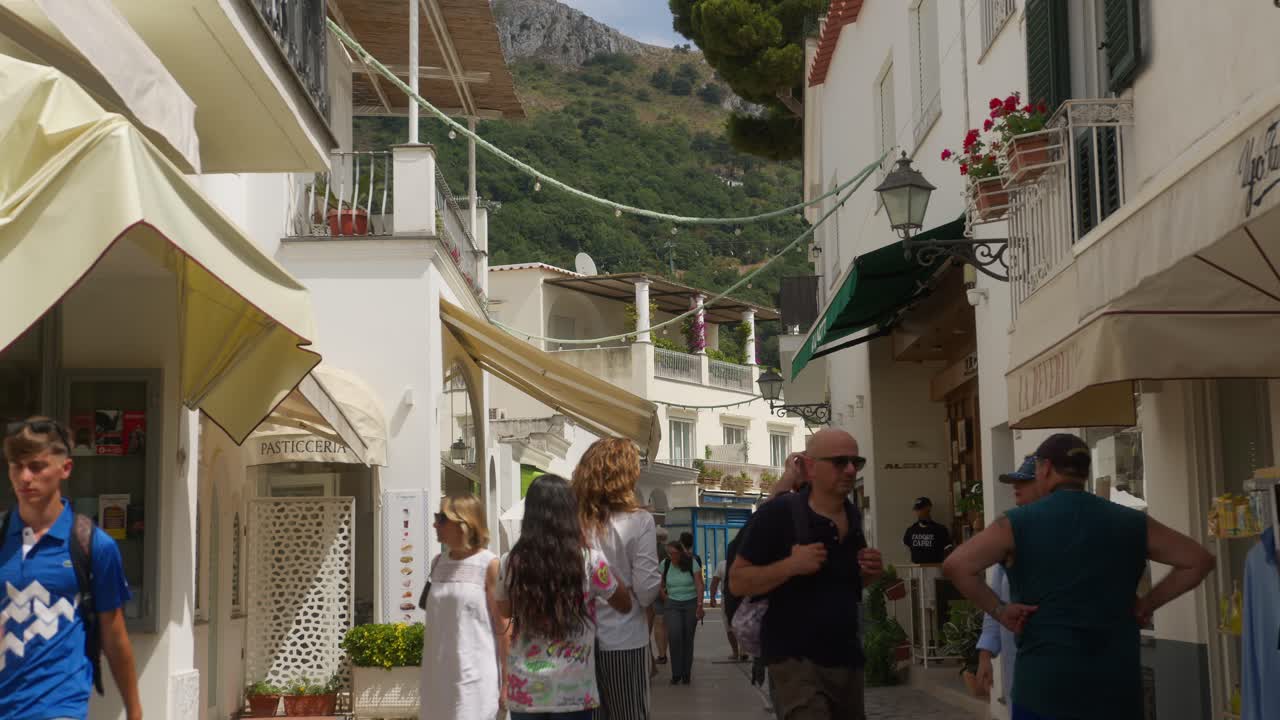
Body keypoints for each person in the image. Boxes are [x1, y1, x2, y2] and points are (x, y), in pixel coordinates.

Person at [944, 434, 1216, 720]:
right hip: (1115, 688)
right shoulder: (1130, 522)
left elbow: (956, 566)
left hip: (1044, 687)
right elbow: (1198, 560)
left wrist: (1000, 611)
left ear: (1046, 468)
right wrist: (1147, 604)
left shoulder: (1016, 524)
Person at [731, 429, 884, 720]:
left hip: (846, 658)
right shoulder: (778, 514)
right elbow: (738, 581)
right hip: (794, 659)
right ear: (811, 467)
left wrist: (868, 574)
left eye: (856, 462)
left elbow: (844, 584)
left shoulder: (852, 515)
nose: (851, 469)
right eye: (840, 462)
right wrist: (790, 565)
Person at [0, 418, 143, 720]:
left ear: (65, 468)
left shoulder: (93, 545)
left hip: (60, 707)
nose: (25, 477)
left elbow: (114, 634)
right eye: (16, 466)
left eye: (37, 466)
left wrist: (134, 710)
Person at [497, 474, 632, 719]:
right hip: (574, 691)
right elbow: (624, 603)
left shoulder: (511, 562)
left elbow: (505, 611)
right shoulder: (590, 561)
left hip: (525, 689)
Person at [570, 438, 661, 720]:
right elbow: (646, 592)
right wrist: (629, 585)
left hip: (579, 642)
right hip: (625, 640)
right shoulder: (639, 521)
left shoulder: (574, 520)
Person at [421, 494, 506, 720]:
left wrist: (508, 683)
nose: (434, 524)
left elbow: (504, 626)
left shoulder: (489, 564)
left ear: (464, 523)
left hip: (474, 679)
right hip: (437, 679)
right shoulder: (438, 563)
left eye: (441, 518)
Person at [975, 456, 1043, 701]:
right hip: (1017, 670)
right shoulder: (1011, 534)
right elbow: (994, 601)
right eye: (1015, 481)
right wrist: (985, 655)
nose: (1016, 486)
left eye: (1025, 481)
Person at [660, 540, 704, 685]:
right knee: (675, 635)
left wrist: (699, 604)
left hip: (691, 603)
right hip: (672, 603)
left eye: (674, 553)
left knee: (687, 637)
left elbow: (699, 584)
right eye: (669, 553)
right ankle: (676, 673)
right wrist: (664, 597)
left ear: (680, 552)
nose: (671, 556)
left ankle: (686, 673)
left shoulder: (691, 562)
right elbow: (657, 583)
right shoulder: (665, 564)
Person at [707, 555, 745, 661]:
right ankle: (738, 651)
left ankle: (740, 651)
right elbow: (714, 582)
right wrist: (712, 597)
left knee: (737, 626)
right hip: (731, 598)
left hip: (740, 598)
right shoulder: (722, 565)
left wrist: (712, 598)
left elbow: (714, 583)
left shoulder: (744, 562)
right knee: (732, 626)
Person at [903, 497, 951, 564]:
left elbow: (948, 551)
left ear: (928, 508)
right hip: (916, 569)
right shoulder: (911, 530)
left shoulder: (940, 529)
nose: (918, 512)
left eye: (921, 509)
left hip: (935, 568)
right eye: (917, 509)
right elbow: (907, 550)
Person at [649, 527, 669, 670]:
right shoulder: (667, 550)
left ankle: (659, 655)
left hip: (654, 587)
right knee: (663, 623)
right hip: (667, 588)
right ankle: (663, 653)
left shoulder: (650, 549)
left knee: (655, 623)